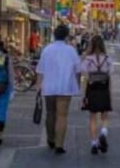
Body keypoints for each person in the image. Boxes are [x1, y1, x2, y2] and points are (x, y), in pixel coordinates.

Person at [36, 24, 82, 154]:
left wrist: (38, 86)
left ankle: (50, 138)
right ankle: (59, 145)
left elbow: (40, 70)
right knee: (62, 115)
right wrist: (78, 84)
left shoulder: (47, 49)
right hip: (65, 86)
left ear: (54, 35)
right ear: (66, 36)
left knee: (50, 113)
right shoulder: (71, 50)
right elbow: (78, 70)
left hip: (49, 86)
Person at [80, 35, 112, 155]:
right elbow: (109, 77)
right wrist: (110, 93)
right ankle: (103, 133)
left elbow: (85, 78)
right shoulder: (107, 59)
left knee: (92, 117)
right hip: (104, 89)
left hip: (92, 89)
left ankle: (94, 144)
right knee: (104, 115)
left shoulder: (87, 59)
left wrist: (83, 95)